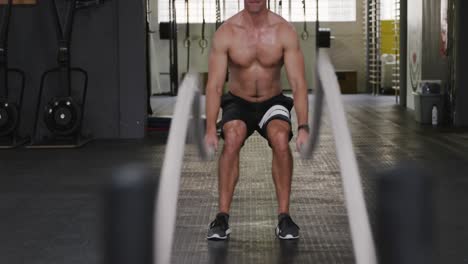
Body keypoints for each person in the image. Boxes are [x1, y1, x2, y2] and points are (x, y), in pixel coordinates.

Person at [204, 0, 309, 240]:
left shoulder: (284, 32)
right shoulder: (226, 33)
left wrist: (303, 126)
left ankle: (284, 217)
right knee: (231, 137)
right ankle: (222, 217)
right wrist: (210, 127)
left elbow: (298, 84)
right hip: (238, 102)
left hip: (272, 101)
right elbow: (215, 85)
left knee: (281, 138)